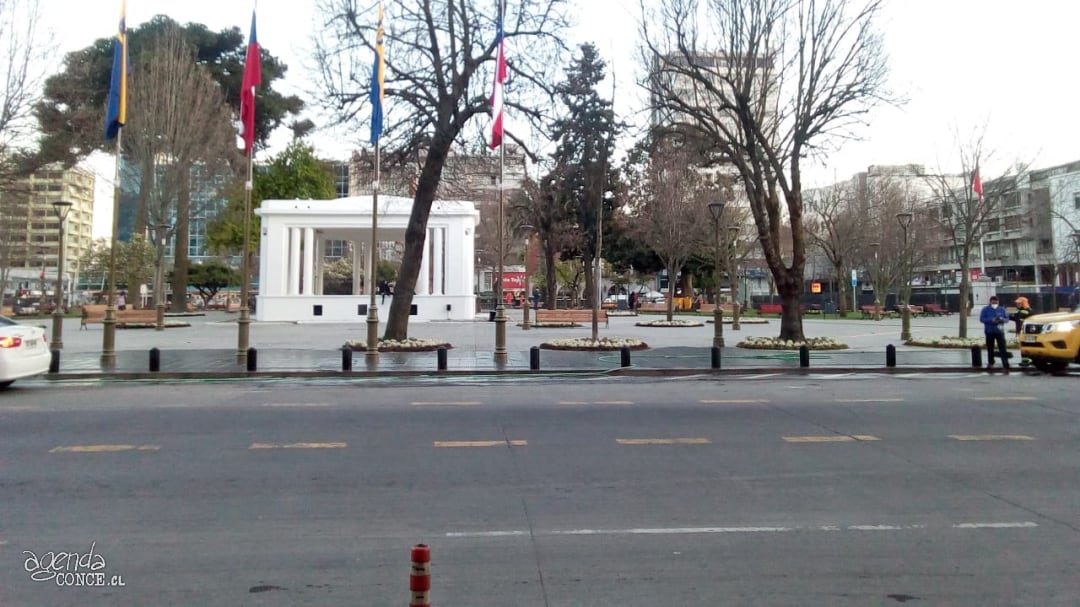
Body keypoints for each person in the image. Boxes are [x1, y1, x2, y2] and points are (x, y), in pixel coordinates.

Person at [979, 295, 1010, 372]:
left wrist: (1002, 319)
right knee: (990, 348)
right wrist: (991, 320)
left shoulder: (1002, 309)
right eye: (993, 302)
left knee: (1002, 348)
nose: (995, 303)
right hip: (989, 331)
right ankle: (991, 363)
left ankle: (1005, 364)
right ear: (990, 302)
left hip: (1000, 331)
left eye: (996, 302)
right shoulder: (985, 309)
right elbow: (982, 319)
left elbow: (1007, 319)